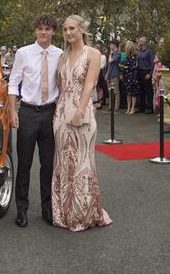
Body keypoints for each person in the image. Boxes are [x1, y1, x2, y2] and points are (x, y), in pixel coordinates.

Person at [51, 15, 112, 232]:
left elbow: (90, 85)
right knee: (64, 163)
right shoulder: (63, 55)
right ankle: (64, 212)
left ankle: (84, 214)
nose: (68, 33)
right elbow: (59, 86)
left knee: (82, 163)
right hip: (60, 115)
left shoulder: (93, 54)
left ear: (82, 29)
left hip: (81, 113)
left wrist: (79, 111)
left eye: (72, 29)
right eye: (65, 30)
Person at [7, 13, 62, 228]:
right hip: (28, 113)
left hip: (51, 113)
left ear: (53, 32)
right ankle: (22, 209)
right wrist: (12, 111)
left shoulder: (60, 54)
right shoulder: (23, 53)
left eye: (47, 29)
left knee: (48, 164)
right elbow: (13, 82)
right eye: (40, 28)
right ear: (35, 31)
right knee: (25, 164)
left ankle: (47, 209)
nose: (43, 32)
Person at [136, 36, 155, 114]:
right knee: (141, 90)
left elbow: (152, 63)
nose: (139, 42)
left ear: (144, 42)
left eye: (140, 41)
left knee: (148, 90)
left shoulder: (149, 51)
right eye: (139, 41)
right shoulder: (139, 51)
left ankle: (150, 107)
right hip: (139, 72)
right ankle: (141, 107)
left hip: (146, 71)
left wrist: (150, 74)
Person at [120, 41, 139, 115]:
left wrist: (124, 67)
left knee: (133, 93)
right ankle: (128, 108)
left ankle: (132, 108)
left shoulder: (134, 57)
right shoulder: (127, 57)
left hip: (133, 76)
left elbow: (133, 67)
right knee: (128, 93)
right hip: (128, 76)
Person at [106, 40, 121, 112]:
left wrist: (111, 54)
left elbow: (110, 61)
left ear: (115, 45)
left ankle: (116, 107)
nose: (110, 46)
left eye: (111, 44)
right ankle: (110, 106)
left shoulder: (117, 53)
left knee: (116, 91)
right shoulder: (111, 53)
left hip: (115, 73)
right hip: (109, 73)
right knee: (110, 91)